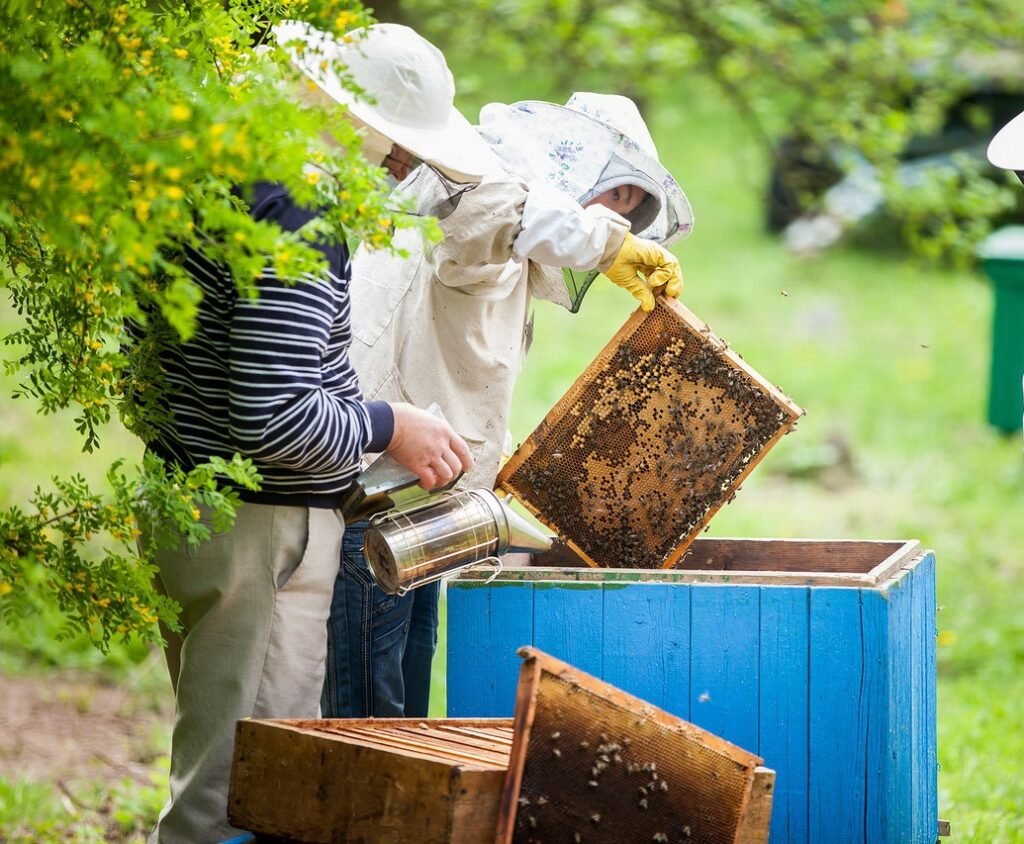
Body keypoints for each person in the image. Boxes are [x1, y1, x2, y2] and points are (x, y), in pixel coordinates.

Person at [138, 20, 497, 843]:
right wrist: (391, 425)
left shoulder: (229, 166)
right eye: (398, 147)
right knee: (239, 793)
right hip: (256, 527)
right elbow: (274, 416)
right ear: (354, 122)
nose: (402, 167)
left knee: (214, 759)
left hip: (192, 496)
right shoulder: (298, 210)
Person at [321, 92, 692, 719]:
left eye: (629, 212)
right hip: (372, 492)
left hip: (422, 500)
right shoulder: (480, 215)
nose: (618, 222)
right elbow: (491, 216)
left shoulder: (507, 259)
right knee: (366, 720)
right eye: (616, 199)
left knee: (406, 703)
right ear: (574, 167)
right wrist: (603, 247)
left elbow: (463, 382)